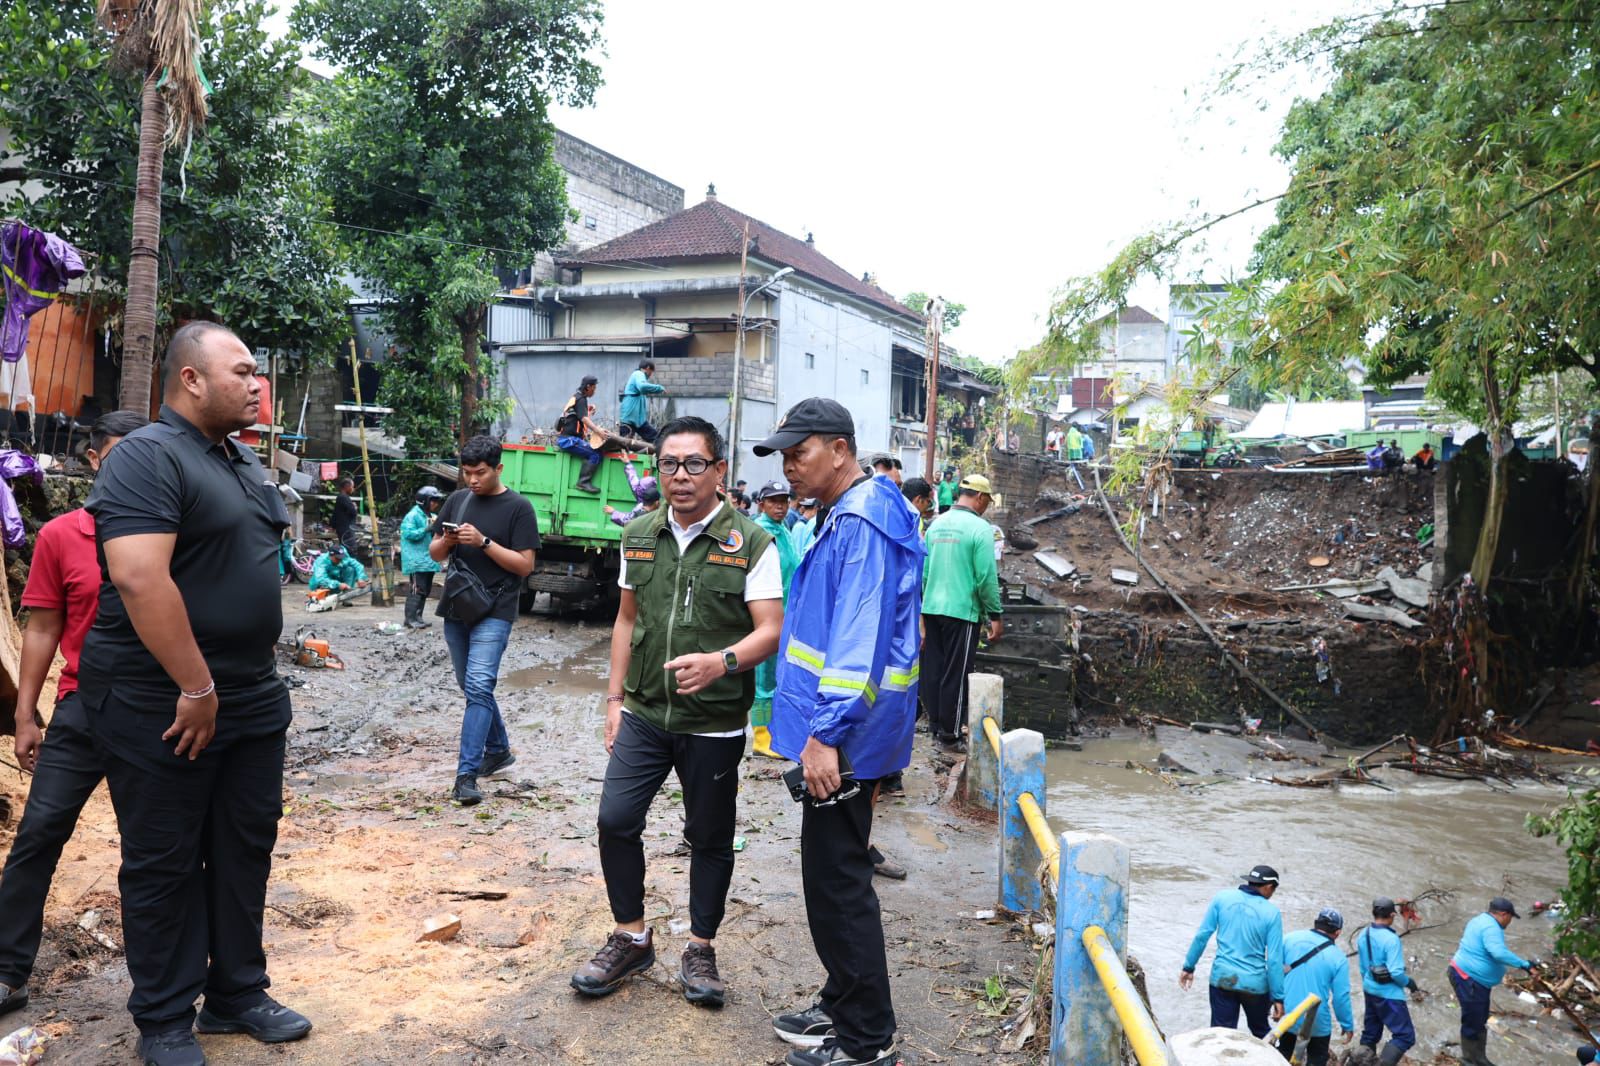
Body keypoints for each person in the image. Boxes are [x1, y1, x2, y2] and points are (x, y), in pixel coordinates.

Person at [79, 322, 310, 1065]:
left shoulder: (242, 464)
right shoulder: (147, 459)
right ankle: (164, 1019)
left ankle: (236, 993)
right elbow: (140, 578)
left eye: (257, 373)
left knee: (245, 846)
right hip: (164, 700)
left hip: (247, 696)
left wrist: (229, 683)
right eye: (241, 371)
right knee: (165, 857)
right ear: (190, 380)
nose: (256, 384)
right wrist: (196, 684)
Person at [571, 417, 782, 1008]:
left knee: (709, 836)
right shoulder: (638, 533)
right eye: (669, 464)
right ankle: (632, 936)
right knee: (615, 820)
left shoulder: (752, 543)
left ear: (718, 471)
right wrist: (613, 700)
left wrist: (722, 661)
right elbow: (626, 620)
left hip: (713, 719)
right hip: (642, 712)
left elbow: (771, 631)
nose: (681, 476)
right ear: (657, 470)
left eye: (694, 464)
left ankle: (700, 947)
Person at [758, 398, 923, 1066]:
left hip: (848, 739)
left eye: (799, 454)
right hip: (845, 734)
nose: (791, 467)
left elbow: (858, 639)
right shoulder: (847, 512)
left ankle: (865, 1041)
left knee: (839, 883)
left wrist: (826, 735)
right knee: (829, 874)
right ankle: (842, 1002)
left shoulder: (863, 520)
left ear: (838, 448)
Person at [0, 411, 146, 1023]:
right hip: (83, 707)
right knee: (38, 834)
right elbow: (42, 627)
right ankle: (7, 971)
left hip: (156, 713)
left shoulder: (175, 535)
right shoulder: (62, 536)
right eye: (119, 453)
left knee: (152, 849)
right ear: (93, 459)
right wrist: (26, 712)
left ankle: (159, 984)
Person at [429, 435, 540, 806]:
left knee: (477, 685)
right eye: (467, 472)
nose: (472, 480)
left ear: (498, 469)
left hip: (496, 609)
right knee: (471, 686)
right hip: (457, 607)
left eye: (480, 473)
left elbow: (525, 565)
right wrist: (448, 541)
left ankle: (466, 775)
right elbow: (433, 553)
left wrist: (484, 543)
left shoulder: (519, 508)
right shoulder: (457, 501)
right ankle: (499, 749)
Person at [919, 475, 1003, 753]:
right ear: (980, 498)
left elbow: (925, 573)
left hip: (931, 607)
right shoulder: (981, 529)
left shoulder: (936, 525)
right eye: (987, 502)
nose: (986, 507)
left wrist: (921, 609)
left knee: (933, 670)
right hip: (961, 611)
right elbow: (986, 577)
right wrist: (994, 614)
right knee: (956, 673)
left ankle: (935, 725)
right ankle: (950, 734)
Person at [1180, 865, 1286, 1039]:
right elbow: (1274, 960)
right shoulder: (1272, 913)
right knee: (1262, 1034)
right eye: (1273, 890)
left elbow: (1202, 935)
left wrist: (1189, 967)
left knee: (1221, 1035)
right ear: (1268, 887)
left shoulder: (1222, 898)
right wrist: (1278, 998)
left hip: (1223, 979)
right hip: (1254, 985)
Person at [1450, 898, 1537, 1066]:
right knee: (1472, 1021)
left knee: (1480, 1018)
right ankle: (1468, 1060)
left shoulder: (1479, 920)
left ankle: (1480, 1058)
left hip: (1473, 979)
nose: (1510, 922)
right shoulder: (1491, 927)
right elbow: (1498, 953)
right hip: (1469, 979)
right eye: (1511, 918)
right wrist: (1525, 964)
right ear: (1504, 914)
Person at [749, 480, 801, 761]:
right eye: (774, 502)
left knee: (777, 675)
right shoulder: (758, 532)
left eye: (784, 501)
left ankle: (773, 731)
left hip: (786, 615)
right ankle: (760, 737)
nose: (781, 506)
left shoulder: (785, 530)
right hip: (765, 615)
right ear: (762, 504)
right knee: (763, 677)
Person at [1278, 908, 1355, 1066]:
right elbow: (1341, 998)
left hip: (1289, 1014)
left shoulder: (1289, 938)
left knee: (1283, 1055)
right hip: (1316, 1021)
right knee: (1317, 1059)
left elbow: (1273, 971)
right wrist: (1347, 1025)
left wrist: (1275, 1002)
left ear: (1316, 923)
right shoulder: (1338, 958)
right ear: (1338, 932)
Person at [1355, 897, 1420, 1065]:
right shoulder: (1391, 939)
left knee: (1370, 1033)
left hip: (1369, 989)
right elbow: (1396, 973)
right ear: (1392, 915)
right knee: (1405, 1036)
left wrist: (1370, 985)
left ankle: (1360, 1062)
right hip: (1389, 995)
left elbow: (1363, 968)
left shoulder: (1364, 934)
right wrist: (1410, 984)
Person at [400, 486, 445, 629]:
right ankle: (410, 619)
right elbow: (408, 534)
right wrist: (426, 529)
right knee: (416, 589)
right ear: (424, 501)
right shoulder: (413, 515)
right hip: (416, 560)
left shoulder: (430, 516)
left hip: (428, 560)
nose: (436, 504)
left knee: (425, 590)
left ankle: (418, 617)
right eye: (433, 500)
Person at [556, 375, 604, 493]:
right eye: (594, 387)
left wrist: (589, 412)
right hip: (568, 440)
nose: (594, 390)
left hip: (567, 438)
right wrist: (598, 431)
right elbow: (584, 419)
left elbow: (577, 419)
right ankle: (583, 482)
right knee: (595, 454)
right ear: (588, 387)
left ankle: (583, 482)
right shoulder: (581, 399)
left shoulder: (576, 397)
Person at [306, 542, 369, 609]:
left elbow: (358, 565)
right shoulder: (321, 562)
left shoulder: (343, 557)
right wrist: (338, 584)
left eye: (341, 558)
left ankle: (346, 595)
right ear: (331, 556)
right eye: (337, 558)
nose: (340, 560)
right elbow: (321, 579)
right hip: (322, 585)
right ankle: (324, 596)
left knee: (350, 569)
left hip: (338, 581)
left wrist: (361, 578)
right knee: (319, 582)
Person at [619, 359, 667, 443]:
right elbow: (642, 386)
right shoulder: (638, 374)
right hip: (630, 419)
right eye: (651, 372)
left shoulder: (637, 376)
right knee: (624, 445)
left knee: (656, 439)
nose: (650, 375)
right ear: (648, 368)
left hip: (638, 420)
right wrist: (659, 388)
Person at [604, 459, 662, 526]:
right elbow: (634, 482)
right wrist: (628, 464)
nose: (638, 489)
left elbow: (627, 521)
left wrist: (614, 512)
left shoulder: (641, 510)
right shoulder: (658, 501)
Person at [331, 475, 360, 554]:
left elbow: (335, 513)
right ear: (347, 486)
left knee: (345, 548)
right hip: (346, 529)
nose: (353, 489)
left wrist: (333, 526)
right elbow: (353, 512)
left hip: (342, 528)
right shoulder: (344, 498)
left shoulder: (341, 497)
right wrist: (354, 507)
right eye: (352, 487)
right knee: (350, 549)